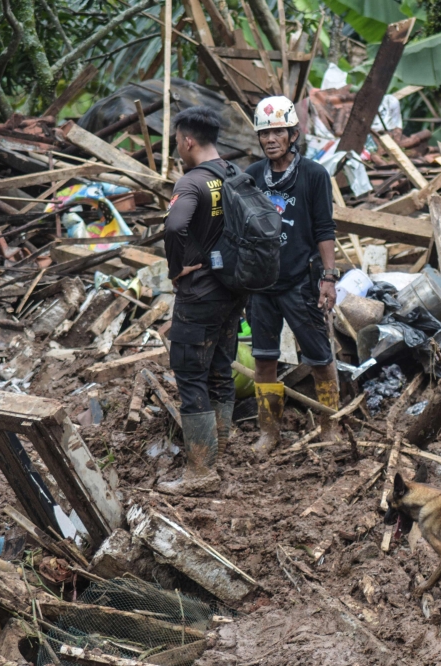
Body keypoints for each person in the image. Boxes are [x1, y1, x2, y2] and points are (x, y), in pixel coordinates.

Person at [159, 106, 246, 495]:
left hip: (199, 295)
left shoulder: (192, 181)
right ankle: (218, 452)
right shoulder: (236, 175)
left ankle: (200, 472)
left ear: (188, 141)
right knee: (220, 370)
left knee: (190, 374)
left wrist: (178, 268)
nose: (178, 146)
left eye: (177, 140)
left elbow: (175, 225)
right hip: (234, 289)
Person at [245, 96, 340, 455]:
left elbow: (325, 229)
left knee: (319, 357)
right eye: (264, 133)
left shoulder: (314, 175)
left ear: (293, 134)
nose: (271, 139)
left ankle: (330, 425)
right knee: (264, 359)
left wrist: (328, 278)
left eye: (278, 132)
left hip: (301, 281)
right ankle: (269, 431)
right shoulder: (252, 176)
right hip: (262, 285)